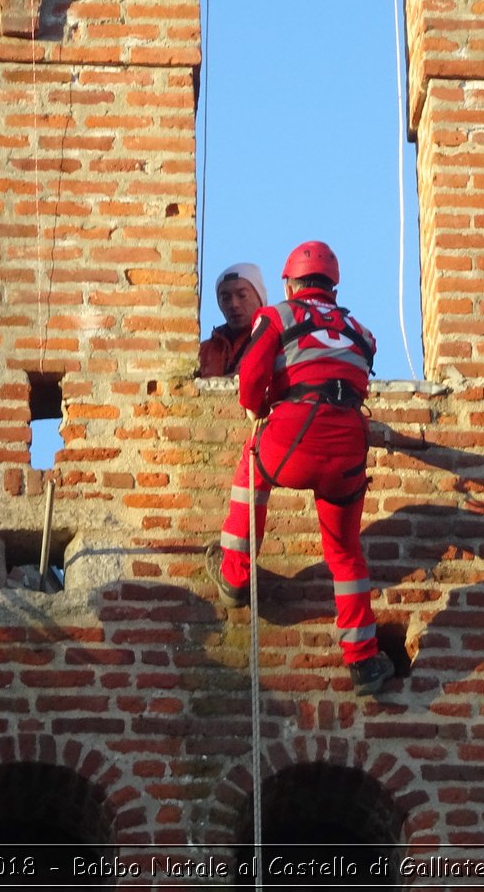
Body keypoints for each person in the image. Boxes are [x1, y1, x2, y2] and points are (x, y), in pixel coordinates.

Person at [203, 241, 394, 696]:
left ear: (289, 283)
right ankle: (363, 662)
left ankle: (234, 575)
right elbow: (353, 376)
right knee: (346, 554)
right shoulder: (362, 331)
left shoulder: (278, 316)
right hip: (347, 447)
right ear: (333, 285)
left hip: (294, 435)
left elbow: (251, 377)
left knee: (253, 466)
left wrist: (256, 407)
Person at [198, 263, 267, 377]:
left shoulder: (276, 341)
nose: (233, 304)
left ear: (260, 298)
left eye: (242, 295)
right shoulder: (204, 351)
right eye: (225, 298)